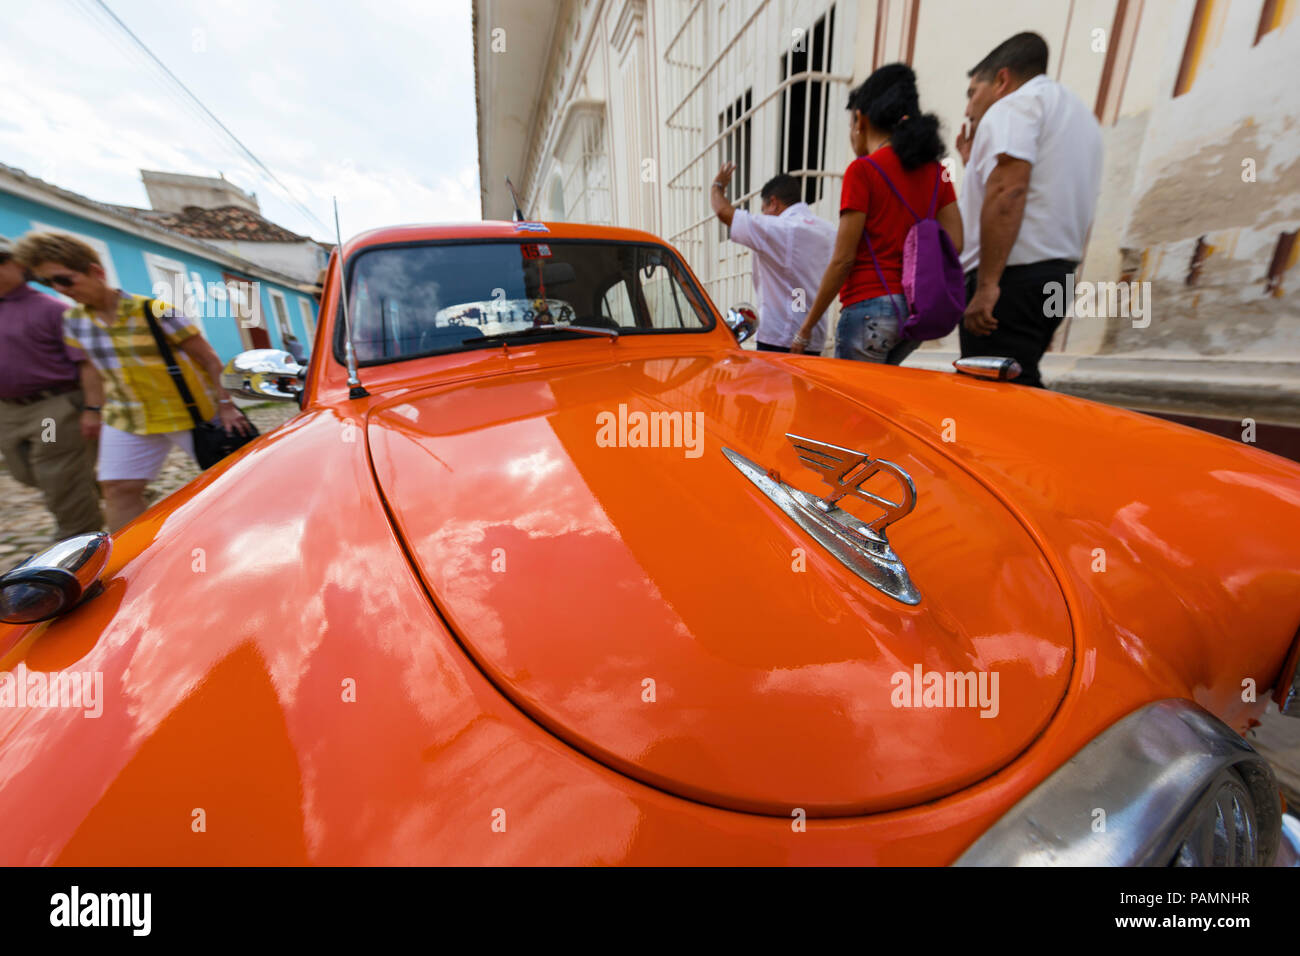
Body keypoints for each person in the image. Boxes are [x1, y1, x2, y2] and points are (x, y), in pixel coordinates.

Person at [14, 232, 252, 530]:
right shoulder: (74, 321)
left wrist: (227, 405)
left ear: (95, 272)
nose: (59, 289)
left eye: (64, 279)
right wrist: (93, 409)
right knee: (118, 489)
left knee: (232, 481)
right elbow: (90, 368)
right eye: (47, 283)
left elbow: (209, 359)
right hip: (127, 417)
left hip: (190, 414)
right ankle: (131, 562)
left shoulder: (155, 312)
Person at [956, 32, 1102, 387]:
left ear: (1002, 80)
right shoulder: (1080, 115)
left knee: (994, 391)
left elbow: (1010, 191)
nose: (968, 107)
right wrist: (974, 161)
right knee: (1017, 378)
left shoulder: (1014, 105)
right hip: (1057, 274)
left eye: (973, 92)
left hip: (1011, 277)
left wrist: (988, 285)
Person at [792, 63, 962, 361]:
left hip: (868, 311)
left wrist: (806, 328)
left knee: (852, 406)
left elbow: (843, 259)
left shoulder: (863, 171)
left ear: (861, 119)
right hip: (913, 314)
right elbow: (955, 242)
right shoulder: (938, 172)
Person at [0, 233, 103, 538]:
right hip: (8, 410)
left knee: (56, 475)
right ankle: (94, 487)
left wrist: (92, 409)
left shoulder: (52, 309)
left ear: (19, 265)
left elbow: (87, 363)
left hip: (50, 410)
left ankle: (76, 545)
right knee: (24, 472)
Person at [709, 164, 836, 352]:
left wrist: (717, 185)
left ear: (774, 202)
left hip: (780, 338)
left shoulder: (778, 229)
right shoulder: (828, 231)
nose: (764, 215)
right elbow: (800, 286)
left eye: (764, 208)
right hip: (813, 336)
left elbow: (723, 212)